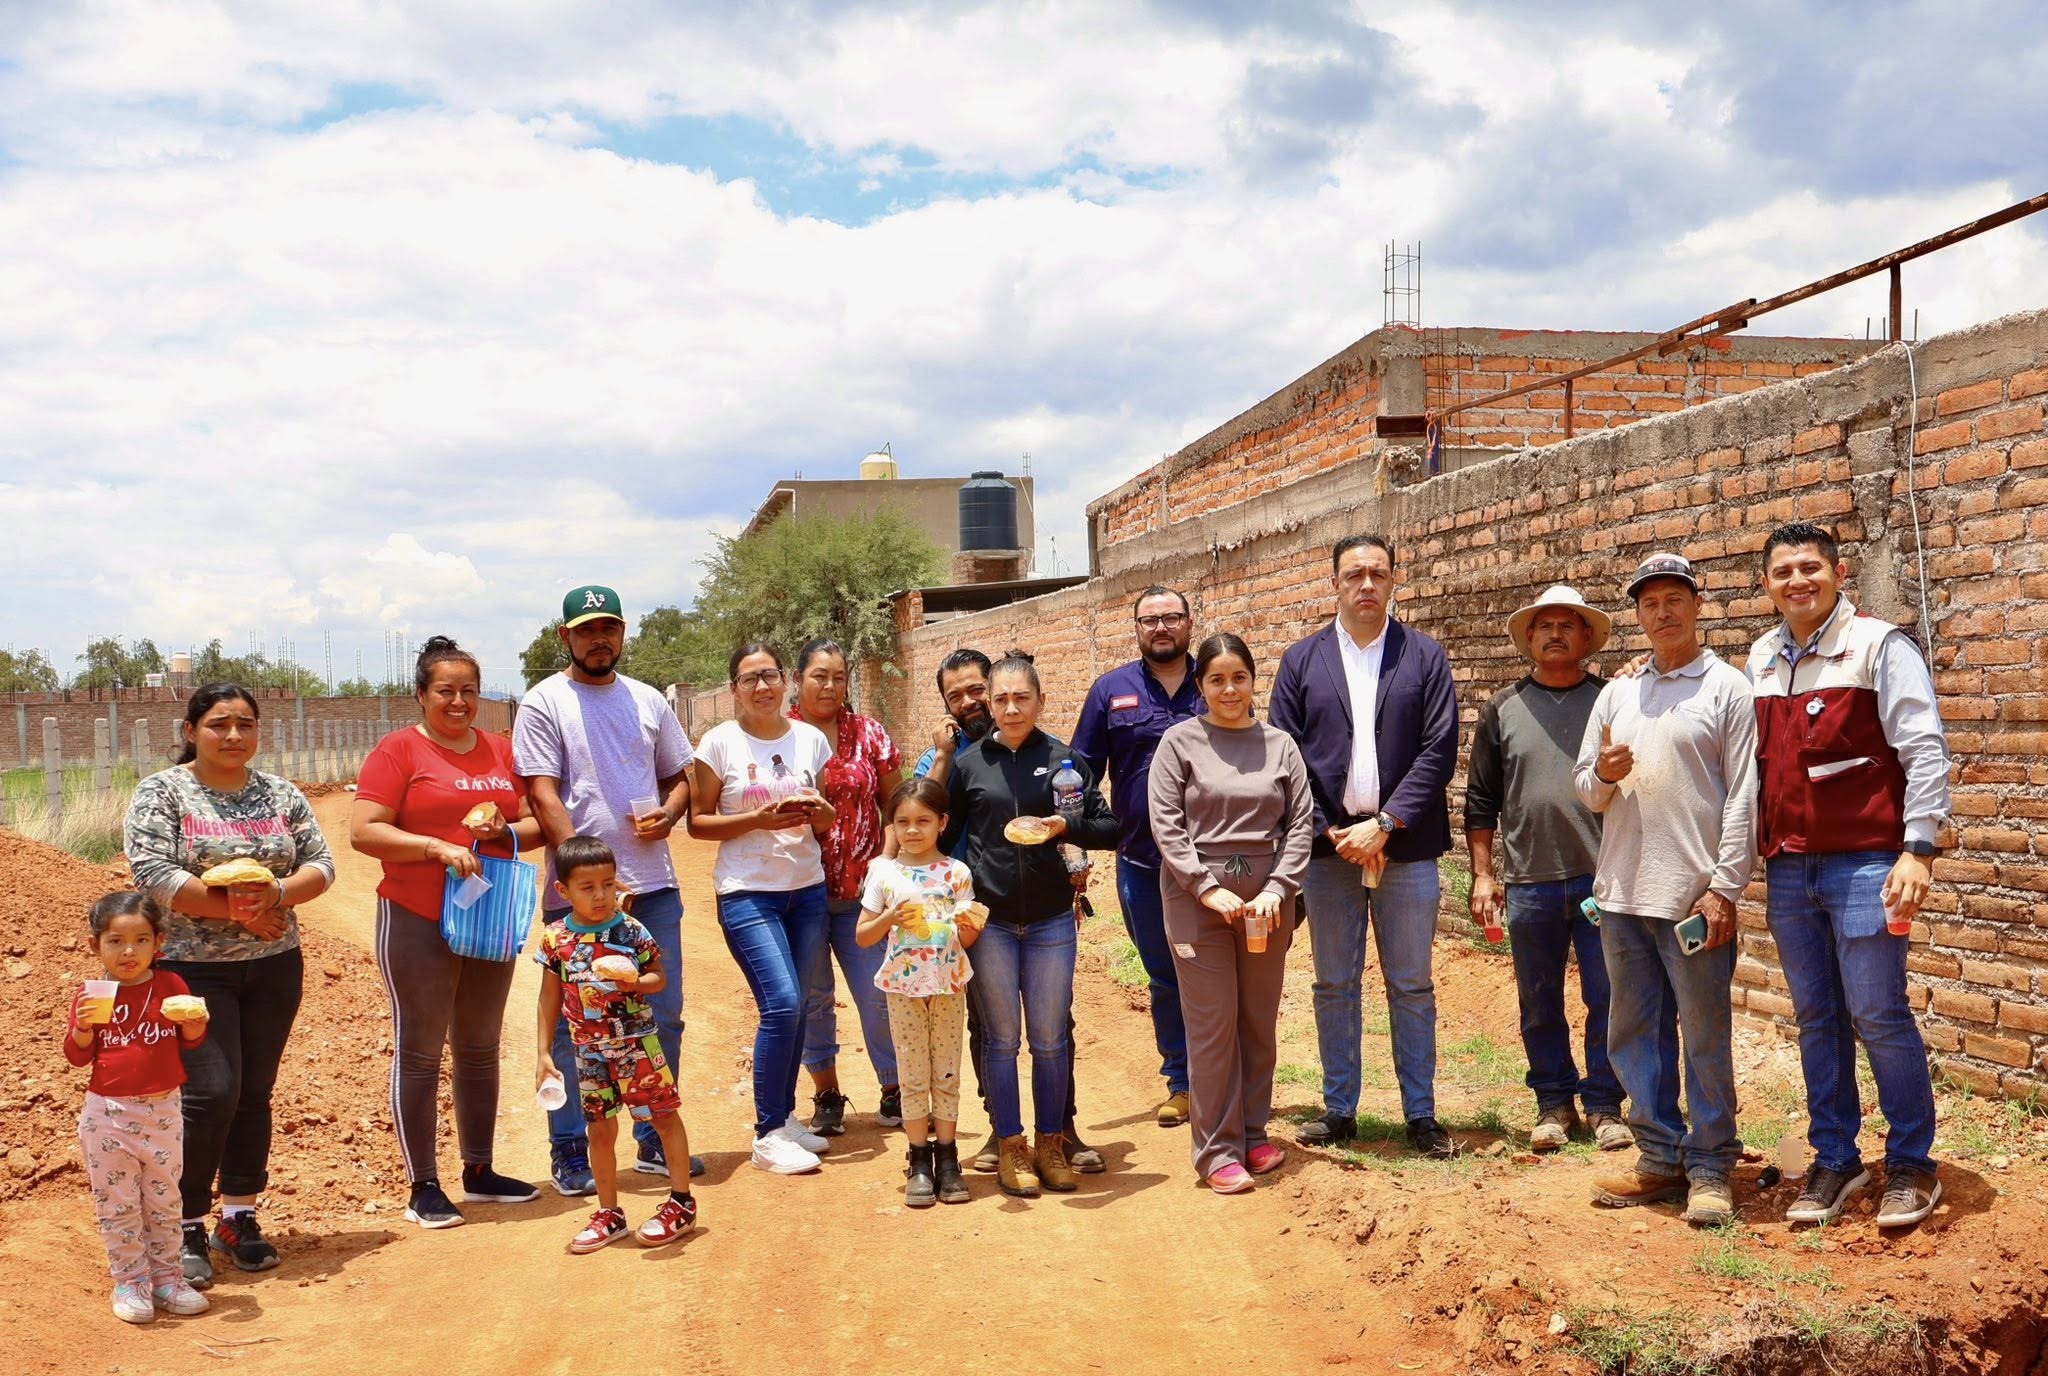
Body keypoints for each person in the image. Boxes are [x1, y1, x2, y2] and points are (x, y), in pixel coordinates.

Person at [1747, 522, 1951, 1228]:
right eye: (1783, 572)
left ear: (1839, 575)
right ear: (1766, 585)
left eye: (1811, 568)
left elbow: (1924, 748)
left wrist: (1917, 849)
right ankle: (1836, 1159)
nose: (1797, 581)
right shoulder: (1763, 657)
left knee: (1877, 1012)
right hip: (1788, 868)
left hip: (1867, 861)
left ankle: (1913, 1165)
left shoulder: (1877, 646)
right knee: (1817, 1019)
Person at [123, 683, 335, 1289]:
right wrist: (236, 911)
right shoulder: (163, 793)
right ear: (191, 730)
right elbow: (153, 872)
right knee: (211, 1091)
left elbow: (321, 862)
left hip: (274, 962)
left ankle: (238, 1216)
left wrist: (279, 895)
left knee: (254, 1091)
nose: (234, 735)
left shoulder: (279, 792)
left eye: (246, 723)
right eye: (219, 724)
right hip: (194, 968)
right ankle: (183, 1222)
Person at [1573, 552, 1757, 1229]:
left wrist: (1724, 887)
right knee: (1634, 1031)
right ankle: (1658, 1156)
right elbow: (1586, 792)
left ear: (1696, 604)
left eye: (1674, 598)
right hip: (1622, 891)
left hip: (1691, 898)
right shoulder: (1617, 695)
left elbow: (1744, 794)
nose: (1663, 612)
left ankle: (1710, 1166)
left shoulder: (1727, 688)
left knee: (1704, 1035)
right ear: (1639, 614)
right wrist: (1604, 770)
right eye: (1650, 603)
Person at [1270, 534, 1460, 1158]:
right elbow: (1286, 753)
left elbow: (1439, 749)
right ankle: (1339, 1108)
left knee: (1411, 984)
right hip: (1329, 854)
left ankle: (1421, 1115)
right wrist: (1333, 829)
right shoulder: (1301, 661)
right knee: (1333, 983)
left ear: (1394, 580)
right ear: (1335, 582)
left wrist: (1387, 822)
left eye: (1378, 573)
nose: (1367, 585)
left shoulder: (1424, 656)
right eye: (1354, 574)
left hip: (1405, 848)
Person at [349, 636, 547, 1228]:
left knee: (480, 1046)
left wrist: (495, 834)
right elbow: (364, 831)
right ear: (421, 695)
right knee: (421, 1049)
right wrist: (436, 846)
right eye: (445, 691)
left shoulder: (502, 750)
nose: (458, 701)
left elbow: (534, 823)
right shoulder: (399, 751)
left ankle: (480, 1172)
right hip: (418, 916)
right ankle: (423, 1185)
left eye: (468, 690)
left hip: (487, 917)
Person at [513, 585, 699, 1195]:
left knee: (659, 1013)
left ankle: (651, 1135)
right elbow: (542, 792)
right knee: (574, 1022)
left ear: (623, 633)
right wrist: (586, 877)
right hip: (580, 895)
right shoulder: (544, 703)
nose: (600, 639)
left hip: (653, 885)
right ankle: (570, 1148)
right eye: (587, 629)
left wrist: (670, 815)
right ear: (564, 636)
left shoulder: (648, 701)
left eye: (609, 628)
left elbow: (681, 777)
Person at [913, 649, 1103, 1175]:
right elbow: (939, 834)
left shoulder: (1066, 761)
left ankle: (1052, 1141)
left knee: (1049, 1036)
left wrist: (1067, 829)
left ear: (1041, 700)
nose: (1011, 708)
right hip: (990, 923)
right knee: (999, 1038)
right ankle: (1010, 1145)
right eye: (1002, 699)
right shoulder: (968, 764)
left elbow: (1106, 826)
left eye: (1022, 697)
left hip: (1050, 922)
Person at [1465, 587, 1633, 1154]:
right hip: (1530, 880)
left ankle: (1606, 1104)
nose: (1556, 633)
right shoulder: (1502, 709)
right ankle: (1554, 1104)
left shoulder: (1614, 700)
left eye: (1569, 625)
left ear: (1587, 638)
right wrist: (1484, 874)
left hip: (1602, 879)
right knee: (1539, 1000)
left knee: (1607, 995)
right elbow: (1481, 800)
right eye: (1544, 626)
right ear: (1529, 640)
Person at [1147, 635, 1314, 1194]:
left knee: (1257, 1020)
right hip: (1200, 905)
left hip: (1268, 902)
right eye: (1216, 680)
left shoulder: (1280, 745)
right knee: (1213, 1025)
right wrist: (1204, 887)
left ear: (1252, 682)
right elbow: (1166, 824)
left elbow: (1300, 824)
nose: (1228, 689)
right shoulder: (1179, 743)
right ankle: (1216, 1150)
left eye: (1238, 678)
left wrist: (1279, 888)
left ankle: (1251, 1132)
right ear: (1201, 687)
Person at [688, 642, 837, 1175]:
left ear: (786, 682)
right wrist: (757, 820)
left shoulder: (810, 740)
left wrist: (820, 812)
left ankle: (785, 1117)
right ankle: (768, 1132)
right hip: (747, 891)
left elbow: (823, 822)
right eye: (749, 679)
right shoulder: (719, 743)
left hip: (807, 888)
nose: (762, 687)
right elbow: (698, 822)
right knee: (781, 1002)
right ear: (734, 689)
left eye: (770, 675)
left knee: (797, 1006)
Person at [1072, 586, 1204, 1129]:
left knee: (1215, 971)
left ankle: (1223, 1075)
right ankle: (1183, 1082)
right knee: (1166, 971)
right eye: (1150, 620)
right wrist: (1081, 832)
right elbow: (1077, 773)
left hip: (1214, 862)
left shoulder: (1214, 680)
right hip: (1144, 863)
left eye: (1171, 617)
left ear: (1189, 623)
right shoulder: (1111, 690)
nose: (1161, 628)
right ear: (1136, 628)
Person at [533, 836, 698, 1252]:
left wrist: (635, 981)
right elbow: (549, 995)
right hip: (588, 1052)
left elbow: (659, 977)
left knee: (663, 1117)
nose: (601, 895)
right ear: (563, 891)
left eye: (608, 883)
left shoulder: (630, 930)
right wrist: (543, 1054)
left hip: (638, 1045)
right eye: (588, 888)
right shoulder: (555, 940)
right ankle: (610, 1213)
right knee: (600, 1130)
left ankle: (681, 1202)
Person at [64, 892, 212, 1323]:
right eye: (115, 941)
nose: (128, 951)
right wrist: (84, 1028)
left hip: (163, 1110)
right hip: (107, 1114)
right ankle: (130, 1281)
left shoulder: (171, 987)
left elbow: (192, 1042)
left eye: (141, 940)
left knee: (165, 1199)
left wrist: (195, 1024)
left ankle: (168, 1279)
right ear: (96, 945)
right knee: (118, 1202)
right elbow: (77, 1056)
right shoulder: (93, 995)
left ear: (158, 942)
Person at [788, 637, 904, 1136]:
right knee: (813, 1000)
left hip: (864, 897)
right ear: (798, 679)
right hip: (802, 893)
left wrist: (885, 862)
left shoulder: (869, 734)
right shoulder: (780, 736)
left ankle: (895, 1088)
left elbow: (897, 805)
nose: (830, 685)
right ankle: (827, 1094)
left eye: (838, 676)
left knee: (878, 994)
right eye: (819, 675)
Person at [856, 776, 983, 1207]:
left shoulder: (957, 873)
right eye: (903, 822)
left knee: (946, 1073)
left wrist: (969, 928)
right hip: (904, 989)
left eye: (923, 821)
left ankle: (948, 1160)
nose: (913, 830)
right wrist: (890, 916)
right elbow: (862, 935)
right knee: (912, 1077)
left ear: (943, 823)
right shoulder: (884, 873)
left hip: (948, 987)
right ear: (890, 826)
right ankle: (919, 1160)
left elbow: (964, 940)